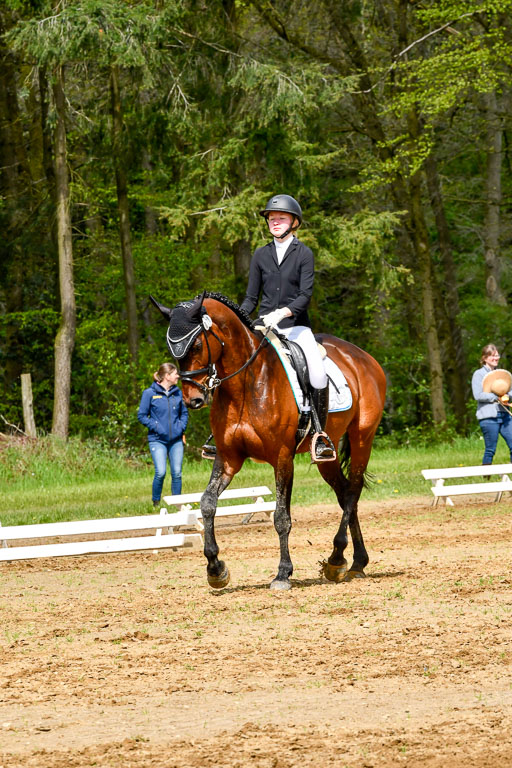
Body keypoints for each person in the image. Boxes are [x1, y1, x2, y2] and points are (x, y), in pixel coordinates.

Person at [239, 193, 336, 462]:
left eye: (281, 218)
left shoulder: (304, 254)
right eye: (271, 218)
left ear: (294, 222)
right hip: (264, 329)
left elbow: (305, 295)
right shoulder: (260, 255)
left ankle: (319, 435)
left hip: (295, 327)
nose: (275, 222)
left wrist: (282, 312)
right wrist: (238, 318)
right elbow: (250, 298)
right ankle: (226, 433)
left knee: (316, 374)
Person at [137, 363, 188, 506]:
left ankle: (177, 504)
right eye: (175, 373)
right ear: (167, 376)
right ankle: (156, 502)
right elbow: (141, 416)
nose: (178, 376)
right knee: (160, 472)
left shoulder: (178, 392)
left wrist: (180, 427)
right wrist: (157, 427)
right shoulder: (149, 393)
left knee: (177, 473)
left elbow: (184, 414)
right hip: (157, 440)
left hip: (176, 440)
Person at [471, 343, 512, 467]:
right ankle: (486, 478)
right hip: (488, 417)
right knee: (490, 449)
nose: (496, 358)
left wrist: (507, 396)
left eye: (497, 355)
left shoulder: (502, 374)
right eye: (492, 356)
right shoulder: (478, 374)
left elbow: (510, 390)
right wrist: (496, 397)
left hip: (505, 415)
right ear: (484, 358)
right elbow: (478, 395)